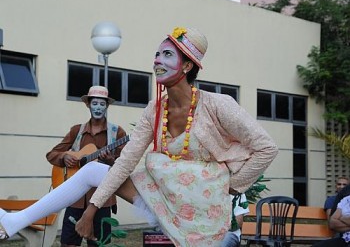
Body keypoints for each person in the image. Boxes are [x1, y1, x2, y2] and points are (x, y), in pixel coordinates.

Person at [0, 26, 278, 246]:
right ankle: (14, 221)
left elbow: (266, 148)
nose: (157, 60)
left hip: (205, 208)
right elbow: (126, 160)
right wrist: (91, 209)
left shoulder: (219, 104)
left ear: (186, 66)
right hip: (166, 198)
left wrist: (230, 186)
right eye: (157, 54)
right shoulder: (155, 109)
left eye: (167, 55)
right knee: (93, 171)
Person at [47, 85, 127, 247]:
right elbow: (52, 154)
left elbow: (125, 164)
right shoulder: (77, 130)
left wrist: (111, 161)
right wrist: (65, 157)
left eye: (102, 104)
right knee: (69, 243)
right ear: (88, 105)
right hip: (75, 198)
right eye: (95, 103)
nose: (98, 107)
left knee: (99, 244)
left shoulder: (117, 132)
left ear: (107, 106)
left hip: (102, 199)